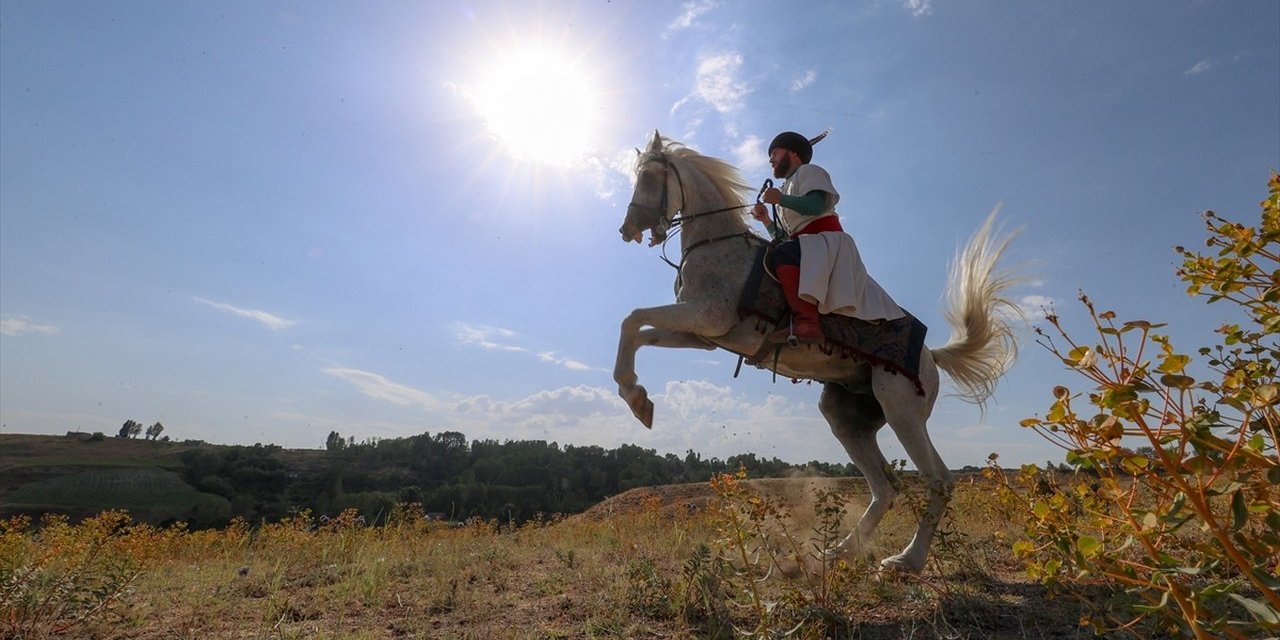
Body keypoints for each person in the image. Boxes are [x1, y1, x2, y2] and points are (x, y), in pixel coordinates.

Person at [751, 131, 905, 345]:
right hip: (807, 245)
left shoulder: (809, 171)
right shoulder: (787, 186)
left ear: (793, 153)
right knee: (778, 252)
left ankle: (807, 324)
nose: (771, 159)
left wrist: (781, 199)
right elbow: (786, 236)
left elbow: (816, 206)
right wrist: (766, 220)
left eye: (775, 152)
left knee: (782, 254)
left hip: (825, 241)